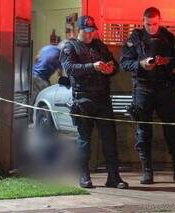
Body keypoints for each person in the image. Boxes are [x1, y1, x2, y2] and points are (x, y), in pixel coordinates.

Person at [120, 7, 175, 185]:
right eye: (148, 24)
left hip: (165, 89)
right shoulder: (135, 38)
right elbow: (124, 63)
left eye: (154, 24)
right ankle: (147, 172)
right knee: (143, 131)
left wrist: (167, 61)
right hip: (143, 89)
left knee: (173, 130)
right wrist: (141, 64)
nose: (151, 27)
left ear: (159, 21)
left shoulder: (168, 37)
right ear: (142, 21)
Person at [60, 15, 128, 189]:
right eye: (87, 31)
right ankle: (84, 176)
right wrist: (93, 66)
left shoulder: (100, 46)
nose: (91, 34)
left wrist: (110, 68)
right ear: (79, 30)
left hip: (102, 98)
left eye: (93, 31)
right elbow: (70, 69)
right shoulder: (70, 46)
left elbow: (115, 65)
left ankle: (114, 177)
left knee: (109, 139)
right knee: (84, 140)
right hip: (83, 98)